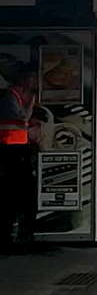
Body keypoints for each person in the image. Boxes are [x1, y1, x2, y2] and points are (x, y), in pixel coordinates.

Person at [0, 65, 39, 250]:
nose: (35, 83)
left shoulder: (16, 97)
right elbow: (22, 118)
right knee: (16, 192)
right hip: (9, 150)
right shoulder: (11, 97)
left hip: (19, 150)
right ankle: (13, 235)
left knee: (23, 192)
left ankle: (23, 232)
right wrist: (31, 103)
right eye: (32, 79)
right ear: (24, 80)